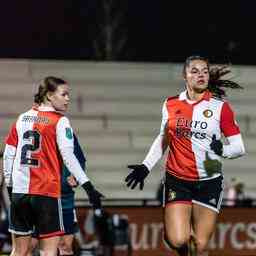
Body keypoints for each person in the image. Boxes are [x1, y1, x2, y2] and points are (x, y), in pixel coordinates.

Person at [125, 56, 246, 256]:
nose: (201, 75)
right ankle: (174, 234)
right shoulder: (170, 104)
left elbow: (239, 147)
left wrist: (222, 150)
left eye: (205, 71)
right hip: (177, 179)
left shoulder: (220, 108)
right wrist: (146, 166)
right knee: (177, 239)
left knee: (198, 246)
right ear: (185, 76)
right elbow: (164, 136)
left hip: (209, 179)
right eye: (195, 71)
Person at [3, 76, 104, 256]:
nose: (68, 99)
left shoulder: (22, 118)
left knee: (18, 251)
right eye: (64, 94)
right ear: (49, 95)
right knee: (49, 252)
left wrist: (11, 186)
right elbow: (68, 156)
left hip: (20, 193)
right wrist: (88, 186)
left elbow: (9, 154)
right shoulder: (60, 121)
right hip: (46, 193)